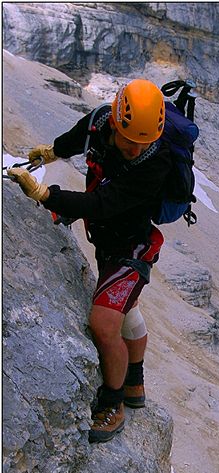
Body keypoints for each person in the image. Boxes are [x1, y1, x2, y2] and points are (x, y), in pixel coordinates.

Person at [8, 79, 172, 444]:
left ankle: (114, 404)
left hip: (133, 249)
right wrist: (50, 153)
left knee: (104, 322)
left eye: (143, 142)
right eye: (129, 139)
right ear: (115, 121)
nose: (135, 148)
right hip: (106, 239)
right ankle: (136, 381)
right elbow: (78, 138)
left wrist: (46, 195)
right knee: (126, 311)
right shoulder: (101, 121)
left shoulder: (155, 162)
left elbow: (101, 204)